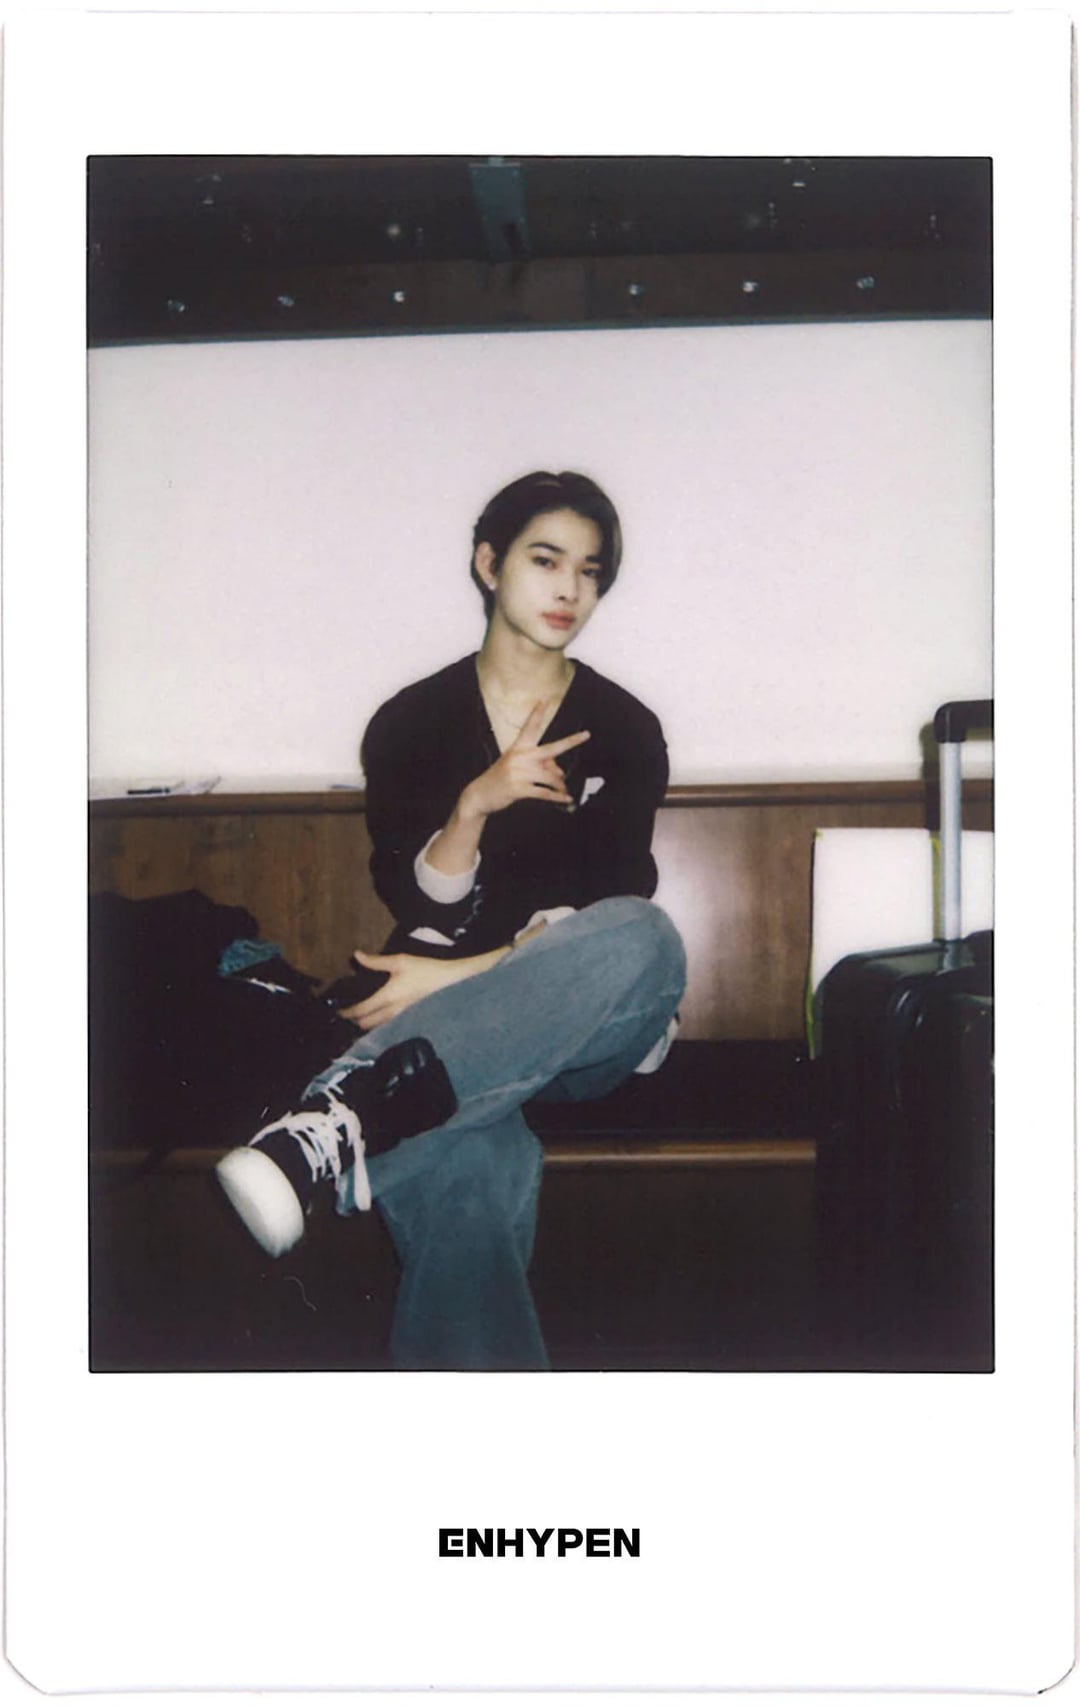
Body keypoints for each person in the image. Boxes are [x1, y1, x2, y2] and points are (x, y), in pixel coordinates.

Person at [216, 470, 687, 1370]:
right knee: (467, 1169)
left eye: (589, 570)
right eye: (545, 560)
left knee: (646, 936)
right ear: (488, 564)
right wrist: (475, 803)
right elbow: (420, 902)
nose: (569, 588)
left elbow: (605, 916)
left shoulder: (625, 728)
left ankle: (338, 1113)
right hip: (441, 1048)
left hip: (570, 1029)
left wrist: (461, 977)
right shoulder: (412, 722)